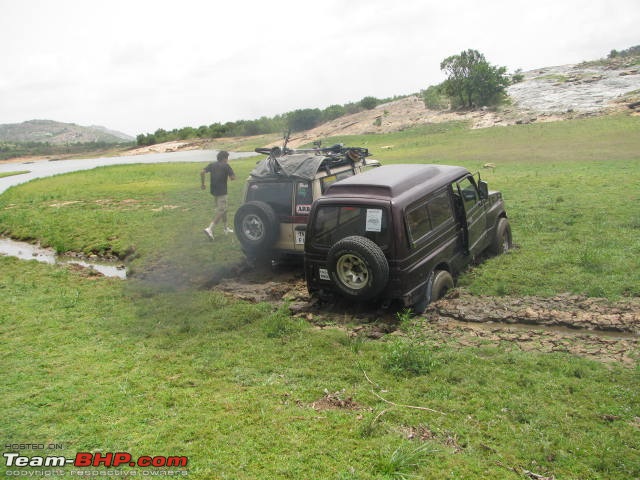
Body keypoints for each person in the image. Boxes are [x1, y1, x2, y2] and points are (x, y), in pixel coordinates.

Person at [200, 150, 236, 240]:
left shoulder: (212, 164)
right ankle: (209, 229)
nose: (227, 160)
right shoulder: (226, 166)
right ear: (224, 158)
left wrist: (203, 184)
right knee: (221, 211)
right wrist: (232, 175)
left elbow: (202, 172)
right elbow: (232, 178)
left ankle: (225, 228)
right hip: (222, 192)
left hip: (214, 191)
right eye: (227, 158)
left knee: (224, 210)